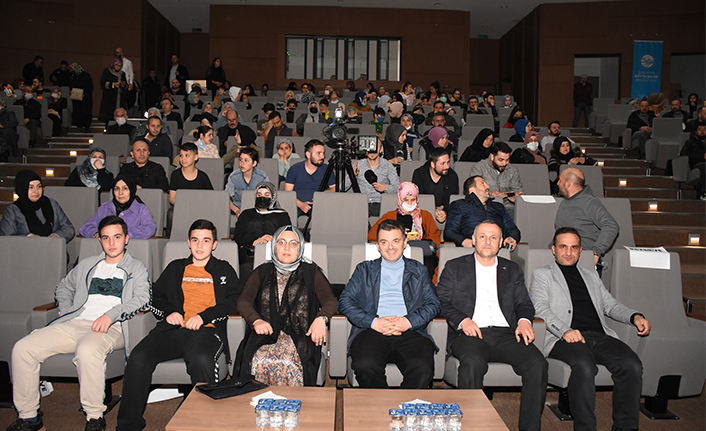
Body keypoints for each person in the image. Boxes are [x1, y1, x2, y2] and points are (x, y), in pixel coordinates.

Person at [8, 215, 149, 431]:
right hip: (75, 322)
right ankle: (30, 417)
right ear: (99, 240)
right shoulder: (87, 265)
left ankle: (94, 418)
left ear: (126, 239)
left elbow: (142, 299)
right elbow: (63, 288)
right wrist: (67, 311)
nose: (111, 243)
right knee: (23, 348)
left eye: (117, 237)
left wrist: (111, 315)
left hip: (112, 327)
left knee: (87, 350)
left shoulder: (136, 268)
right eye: (106, 238)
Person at [116, 219, 239, 431]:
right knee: (138, 357)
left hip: (206, 332)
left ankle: (203, 424)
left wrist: (204, 316)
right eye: (195, 240)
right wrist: (169, 312)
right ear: (188, 243)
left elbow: (234, 300)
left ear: (214, 244)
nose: (200, 245)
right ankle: (128, 426)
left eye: (206, 240)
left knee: (201, 359)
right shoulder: (175, 268)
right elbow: (155, 296)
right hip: (171, 330)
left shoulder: (223, 269)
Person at [530, 227, 651, 431]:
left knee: (632, 365)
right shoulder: (543, 274)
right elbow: (540, 308)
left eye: (574, 247)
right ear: (554, 249)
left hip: (599, 336)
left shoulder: (591, 276)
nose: (568, 252)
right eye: (563, 247)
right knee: (584, 365)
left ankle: (625, 427)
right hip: (563, 338)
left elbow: (610, 305)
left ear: (580, 250)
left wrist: (635, 316)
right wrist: (565, 330)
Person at [437, 220, 547, 431]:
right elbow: (440, 301)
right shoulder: (455, 267)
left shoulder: (512, 269)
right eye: (483, 236)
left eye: (493, 237)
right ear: (474, 239)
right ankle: (472, 426)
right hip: (469, 334)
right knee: (472, 361)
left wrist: (524, 321)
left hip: (506, 334)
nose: (487, 241)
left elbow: (524, 303)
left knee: (537, 363)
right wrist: (463, 320)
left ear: (500, 242)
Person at [338, 219, 441, 388]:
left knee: (422, 368)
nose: (390, 247)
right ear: (378, 246)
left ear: (405, 243)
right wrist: (373, 322)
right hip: (371, 330)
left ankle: (405, 403)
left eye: (396, 241)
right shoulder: (364, 270)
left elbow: (433, 303)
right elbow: (345, 301)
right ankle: (381, 402)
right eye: (384, 242)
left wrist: (408, 321)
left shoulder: (418, 270)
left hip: (410, 330)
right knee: (365, 365)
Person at [234, 225, 336, 385]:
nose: (287, 247)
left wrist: (321, 318)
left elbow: (330, 301)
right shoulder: (262, 271)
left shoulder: (311, 272)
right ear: (274, 246)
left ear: (300, 248)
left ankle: (292, 401)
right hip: (264, 334)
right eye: (281, 242)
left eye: (293, 243)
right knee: (258, 360)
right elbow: (243, 301)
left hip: (301, 335)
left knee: (288, 363)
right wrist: (256, 320)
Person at [369, 182, 441, 280]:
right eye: (406, 200)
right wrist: (396, 232)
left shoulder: (425, 215)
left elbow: (435, 239)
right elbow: (372, 235)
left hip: (422, 253)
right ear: (400, 199)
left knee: (428, 266)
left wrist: (419, 239)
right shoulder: (389, 216)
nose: (410, 203)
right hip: (396, 252)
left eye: (413, 200)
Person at [554, 168, 619, 271]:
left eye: (560, 180)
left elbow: (611, 225)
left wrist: (596, 252)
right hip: (564, 259)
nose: (558, 183)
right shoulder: (566, 202)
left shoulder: (590, 203)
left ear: (568, 184)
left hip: (581, 262)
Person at [444, 175, 520, 249]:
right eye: (483, 184)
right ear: (472, 190)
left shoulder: (498, 207)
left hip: (497, 250)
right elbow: (449, 232)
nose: (488, 186)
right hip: (471, 249)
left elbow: (513, 229)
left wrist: (511, 237)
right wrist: (463, 241)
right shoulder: (459, 205)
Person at [233, 181, 291, 272]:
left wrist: (273, 238)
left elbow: (288, 235)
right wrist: (256, 239)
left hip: (275, 254)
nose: (262, 198)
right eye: (259, 195)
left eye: (267, 195)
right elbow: (238, 236)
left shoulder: (282, 215)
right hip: (250, 256)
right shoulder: (246, 214)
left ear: (273, 197)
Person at [1, 169, 74, 241]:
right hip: (27, 248)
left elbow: (69, 228)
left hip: (54, 247)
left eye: (39, 186)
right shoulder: (13, 211)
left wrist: (56, 236)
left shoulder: (52, 204)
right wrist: (28, 238)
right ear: (22, 188)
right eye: (31, 187)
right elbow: (7, 238)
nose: (36, 191)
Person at [80, 175, 156, 239]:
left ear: (131, 190)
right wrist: (96, 233)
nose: (120, 193)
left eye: (125, 188)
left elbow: (150, 228)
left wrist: (124, 235)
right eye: (117, 189)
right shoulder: (105, 207)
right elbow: (86, 227)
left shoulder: (141, 209)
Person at [348, 136, 400, 216]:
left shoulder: (388, 166)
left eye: (375, 147)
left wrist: (386, 187)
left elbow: (398, 189)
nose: (372, 150)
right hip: (361, 204)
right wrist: (351, 177)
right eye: (370, 147)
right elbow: (341, 188)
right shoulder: (358, 164)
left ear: (381, 149)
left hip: (381, 204)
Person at [469, 142, 524, 214]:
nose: (504, 163)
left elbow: (519, 189)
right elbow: (474, 192)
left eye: (507, 160)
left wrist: (517, 197)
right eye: (501, 160)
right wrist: (490, 194)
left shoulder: (512, 170)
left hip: (508, 208)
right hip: (486, 207)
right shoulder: (479, 168)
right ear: (492, 157)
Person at [284, 139, 335, 216]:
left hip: (320, 205)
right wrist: (301, 204)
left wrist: (322, 194)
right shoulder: (295, 169)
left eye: (323, 153)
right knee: (288, 214)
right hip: (297, 205)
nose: (322, 156)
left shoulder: (327, 169)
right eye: (318, 153)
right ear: (308, 154)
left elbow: (334, 188)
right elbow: (287, 192)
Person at [411, 147, 459, 223]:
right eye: (443, 163)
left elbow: (453, 200)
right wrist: (432, 209)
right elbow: (417, 198)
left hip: (444, 210)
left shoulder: (452, 176)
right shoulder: (419, 174)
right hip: (423, 211)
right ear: (433, 164)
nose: (447, 166)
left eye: (448, 162)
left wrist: (445, 212)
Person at [226, 147, 269, 217]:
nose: (242, 163)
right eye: (240, 160)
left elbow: (266, 199)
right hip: (238, 208)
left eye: (246, 160)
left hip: (257, 210)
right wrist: (236, 210)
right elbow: (227, 197)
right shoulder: (233, 176)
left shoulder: (262, 177)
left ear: (254, 163)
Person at [679, 121, 705, 198]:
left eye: (705, 129)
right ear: (696, 131)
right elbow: (683, 153)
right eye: (700, 129)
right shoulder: (690, 142)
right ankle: (704, 192)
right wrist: (701, 156)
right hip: (696, 164)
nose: (702, 131)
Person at [98, 58, 127, 126]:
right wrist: (113, 84)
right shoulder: (107, 72)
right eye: (116, 65)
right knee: (109, 115)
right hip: (109, 98)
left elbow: (125, 85)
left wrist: (123, 85)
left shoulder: (122, 73)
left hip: (119, 98)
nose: (118, 67)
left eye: (120, 65)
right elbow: (103, 83)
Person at [69, 63, 94, 133]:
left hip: (86, 98)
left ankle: (87, 126)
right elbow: (71, 84)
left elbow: (90, 86)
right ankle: (78, 124)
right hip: (76, 98)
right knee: (77, 111)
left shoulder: (85, 75)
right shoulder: (72, 75)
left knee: (86, 112)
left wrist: (84, 93)